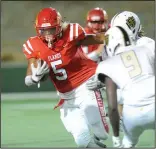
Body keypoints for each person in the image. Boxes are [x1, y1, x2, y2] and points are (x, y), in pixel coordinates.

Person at [22, 7, 110, 148]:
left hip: (86, 84)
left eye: (51, 29)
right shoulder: (34, 45)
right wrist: (34, 78)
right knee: (82, 140)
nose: (48, 34)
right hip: (66, 96)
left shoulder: (71, 33)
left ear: (59, 26)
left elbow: (96, 39)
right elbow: (30, 76)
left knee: (102, 133)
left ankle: (96, 120)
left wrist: (115, 36)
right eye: (43, 30)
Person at [87, 25, 155, 148]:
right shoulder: (147, 48)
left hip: (132, 113)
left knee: (128, 143)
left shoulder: (107, 65)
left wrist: (116, 136)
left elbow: (113, 107)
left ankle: (126, 143)